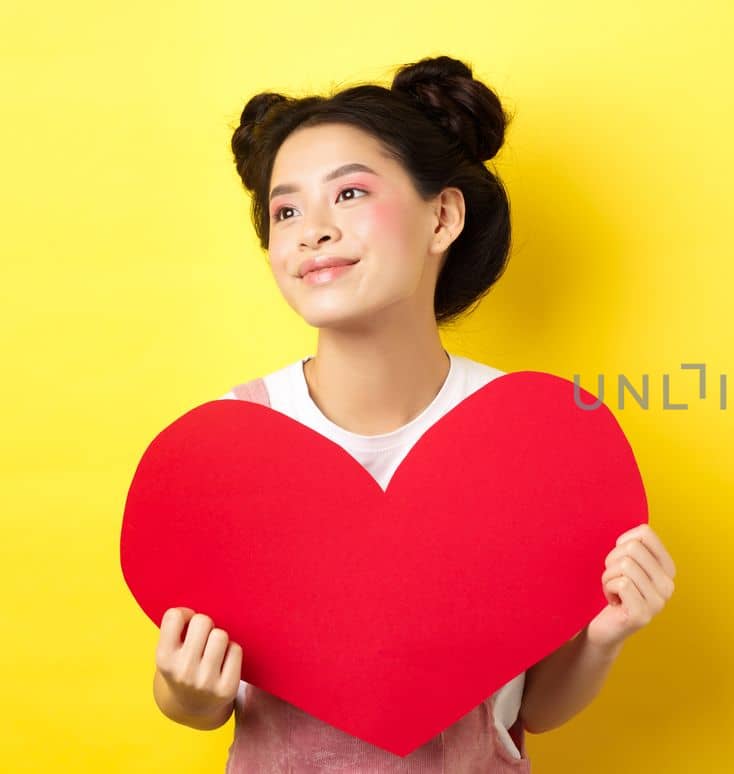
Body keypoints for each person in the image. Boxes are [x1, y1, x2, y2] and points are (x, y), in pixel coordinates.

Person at [148, 55, 677, 772]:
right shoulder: (229, 441)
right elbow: (198, 703)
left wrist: (606, 633)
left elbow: (534, 708)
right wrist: (189, 688)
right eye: (287, 209)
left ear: (443, 215)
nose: (313, 230)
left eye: (351, 193)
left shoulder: (531, 437)